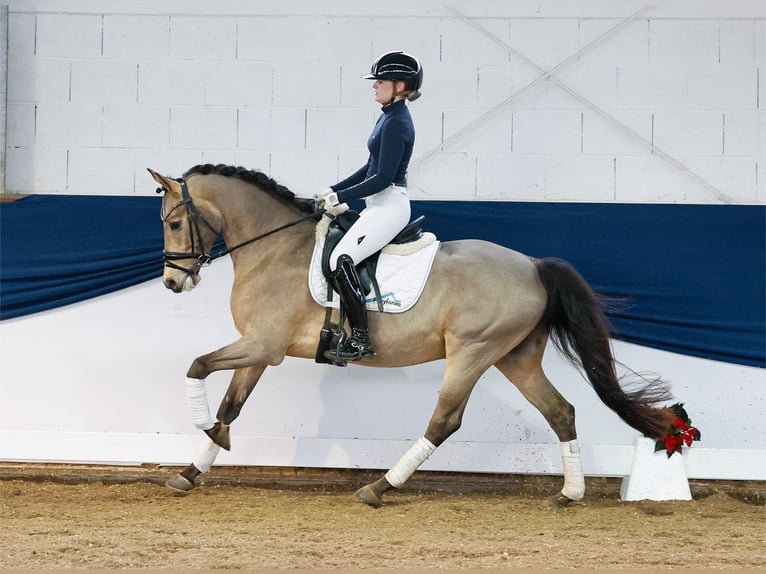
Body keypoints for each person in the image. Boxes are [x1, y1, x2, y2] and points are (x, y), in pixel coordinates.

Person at [315, 51, 423, 362]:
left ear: (400, 85)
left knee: (341, 258)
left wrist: (341, 198)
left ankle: (361, 340)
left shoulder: (397, 122)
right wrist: (333, 189)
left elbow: (382, 178)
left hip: (389, 205)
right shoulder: (387, 116)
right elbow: (369, 167)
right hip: (379, 204)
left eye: (380, 80)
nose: (374, 85)